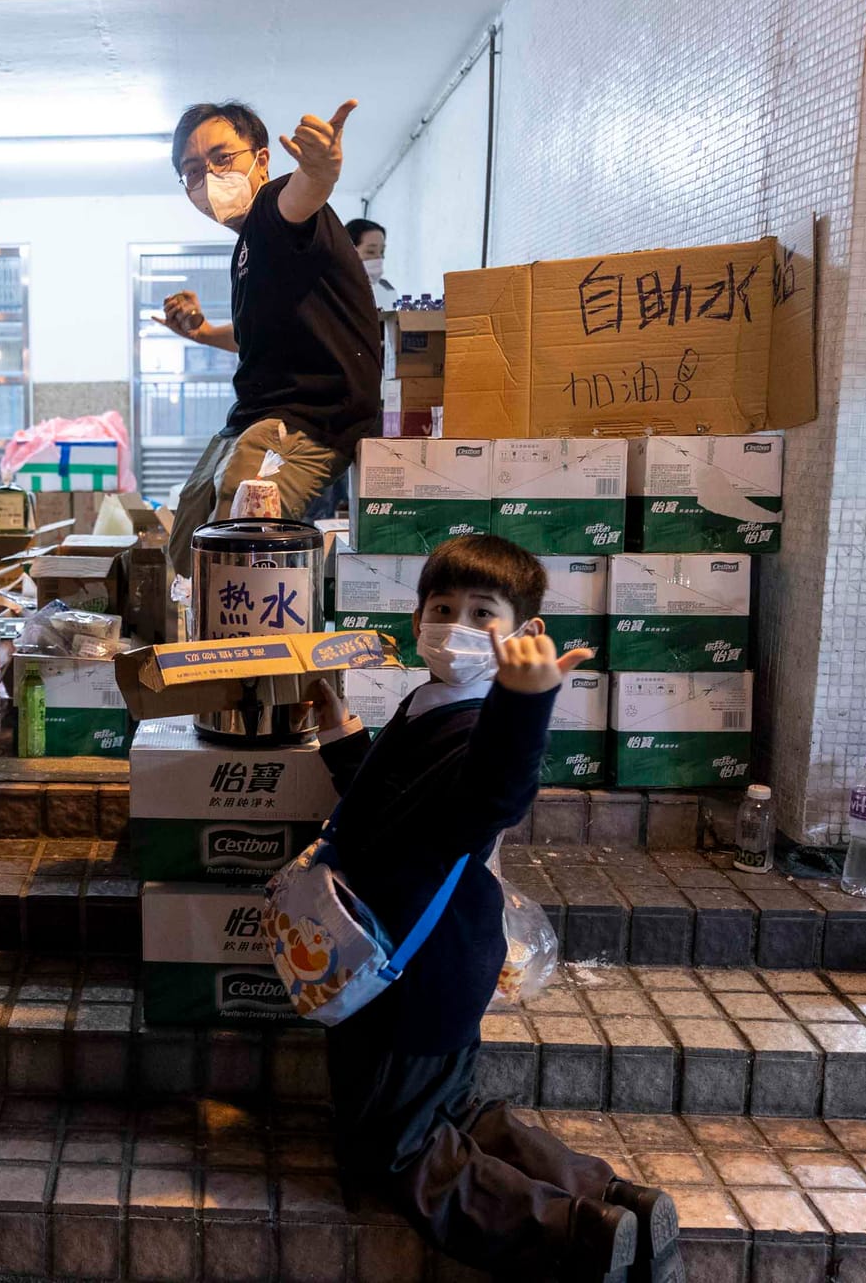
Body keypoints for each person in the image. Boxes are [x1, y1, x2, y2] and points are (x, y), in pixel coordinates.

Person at [307, 535, 681, 1283]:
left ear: (521, 634)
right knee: (454, 1110)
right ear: (416, 618)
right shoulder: (432, 701)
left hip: (410, 968)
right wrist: (345, 738)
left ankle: (577, 1234)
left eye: (483, 613)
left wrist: (525, 702)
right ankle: (611, 1198)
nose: (456, 626)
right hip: (440, 957)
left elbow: (491, 796)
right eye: (442, 607)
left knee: (400, 1145)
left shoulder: (482, 719)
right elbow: (398, 805)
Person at [156, 100, 381, 572]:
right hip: (253, 417)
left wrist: (320, 170)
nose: (209, 177)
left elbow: (303, 193)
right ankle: (205, 608)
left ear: (261, 160)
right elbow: (256, 338)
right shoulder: (247, 248)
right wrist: (201, 332)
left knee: (235, 535)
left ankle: (244, 621)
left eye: (222, 158)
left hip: (310, 418)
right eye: (192, 171)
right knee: (186, 544)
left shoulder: (274, 209)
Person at [345, 217, 398, 301]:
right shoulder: (329, 290)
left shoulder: (387, 290)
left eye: (382, 251)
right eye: (370, 251)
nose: (378, 258)